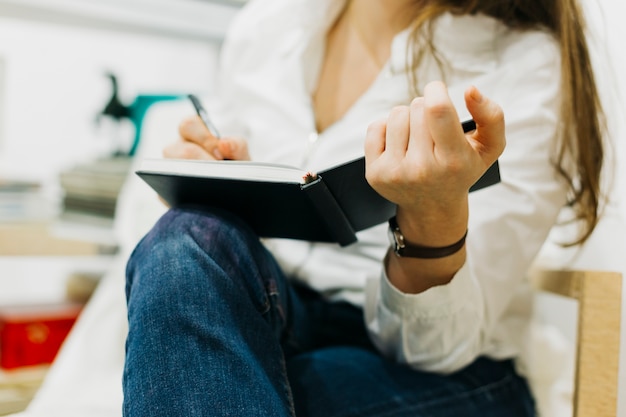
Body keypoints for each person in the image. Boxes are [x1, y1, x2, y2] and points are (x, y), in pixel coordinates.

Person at [122, 0, 605, 416]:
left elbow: (439, 352)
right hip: (280, 308)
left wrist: (432, 222)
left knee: (206, 380)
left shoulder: (522, 62)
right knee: (185, 236)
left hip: (441, 371)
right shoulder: (269, 24)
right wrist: (220, 188)